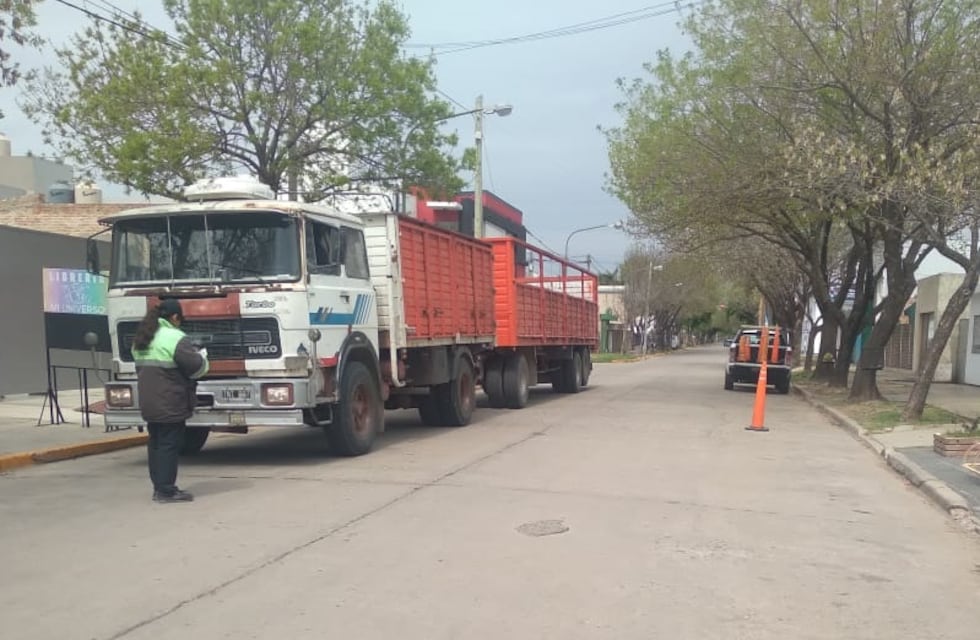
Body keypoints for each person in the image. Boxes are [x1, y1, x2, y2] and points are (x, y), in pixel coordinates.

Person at [131, 298, 209, 503]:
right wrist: (202, 355)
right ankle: (167, 490)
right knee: (169, 445)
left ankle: (159, 487)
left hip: (149, 401)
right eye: (179, 319)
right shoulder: (175, 337)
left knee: (156, 443)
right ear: (175, 317)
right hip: (170, 400)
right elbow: (196, 368)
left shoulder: (142, 337)